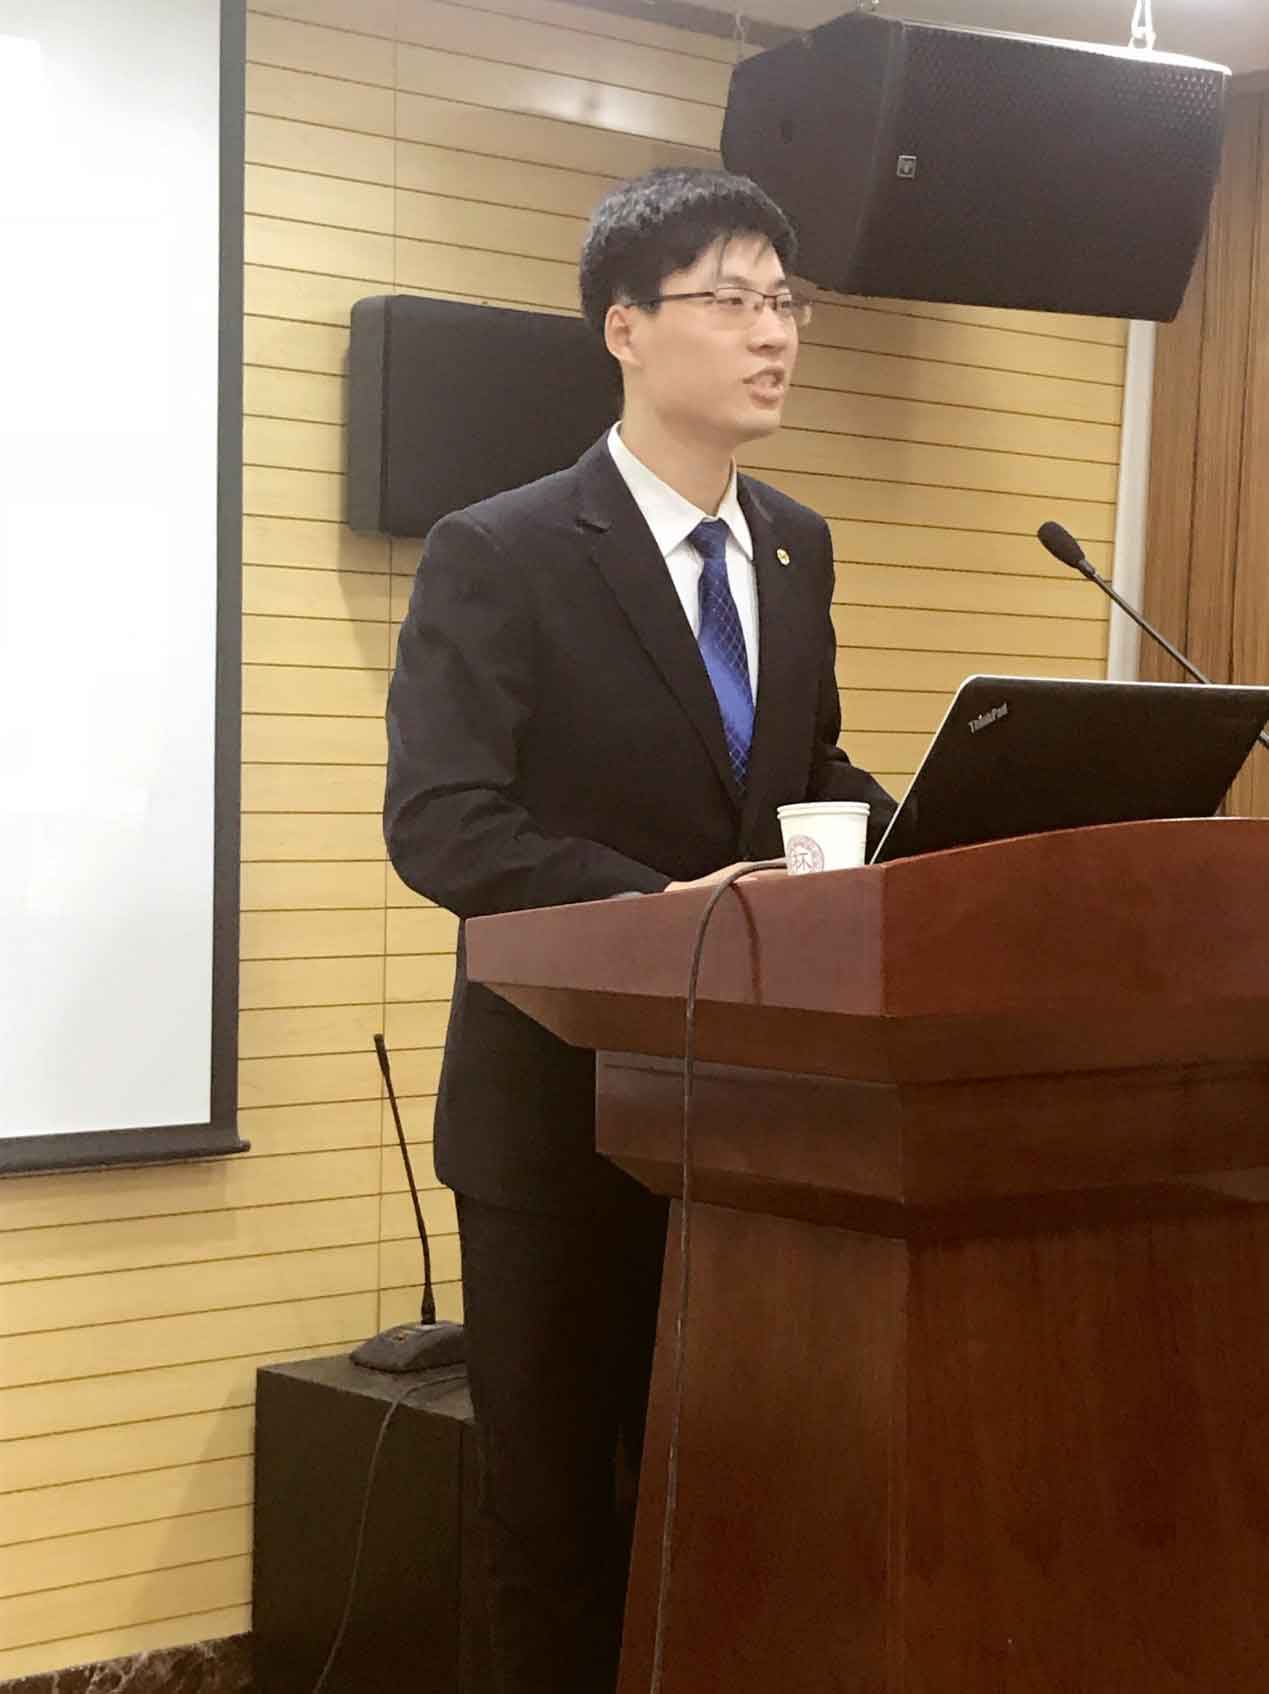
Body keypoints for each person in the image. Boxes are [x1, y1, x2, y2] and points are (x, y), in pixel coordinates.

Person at [384, 166, 896, 1694]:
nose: (773, 334)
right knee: (558, 1532)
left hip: (748, 1132)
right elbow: (443, 821)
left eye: (785, 301)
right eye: (730, 300)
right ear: (622, 327)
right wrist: (643, 911)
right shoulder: (502, 548)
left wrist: (949, 820)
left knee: (727, 1508)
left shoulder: (794, 546)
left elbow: (804, 776)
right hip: (557, 1121)